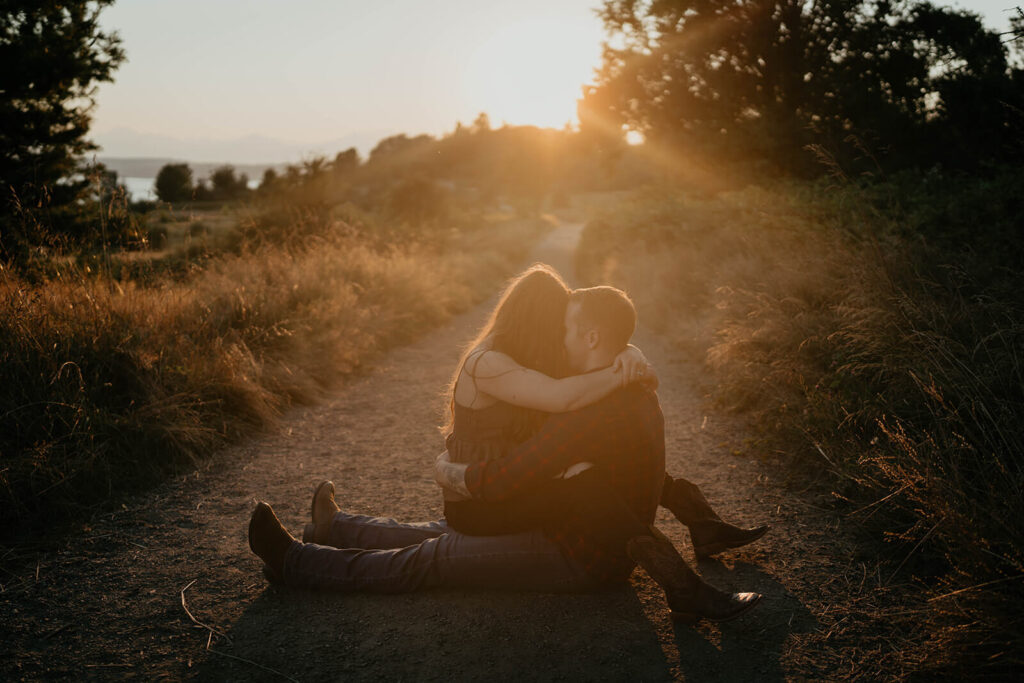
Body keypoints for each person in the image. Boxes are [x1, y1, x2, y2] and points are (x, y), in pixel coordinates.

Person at [249, 273, 764, 621]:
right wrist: (628, 353)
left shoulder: (585, 410)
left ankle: (295, 562)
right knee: (444, 532)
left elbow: (503, 481)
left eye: (564, 329)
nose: (556, 340)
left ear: (587, 337)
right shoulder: (632, 385)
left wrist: (450, 473)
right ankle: (334, 528)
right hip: (582, 536)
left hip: (578, 556)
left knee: (437, 554)